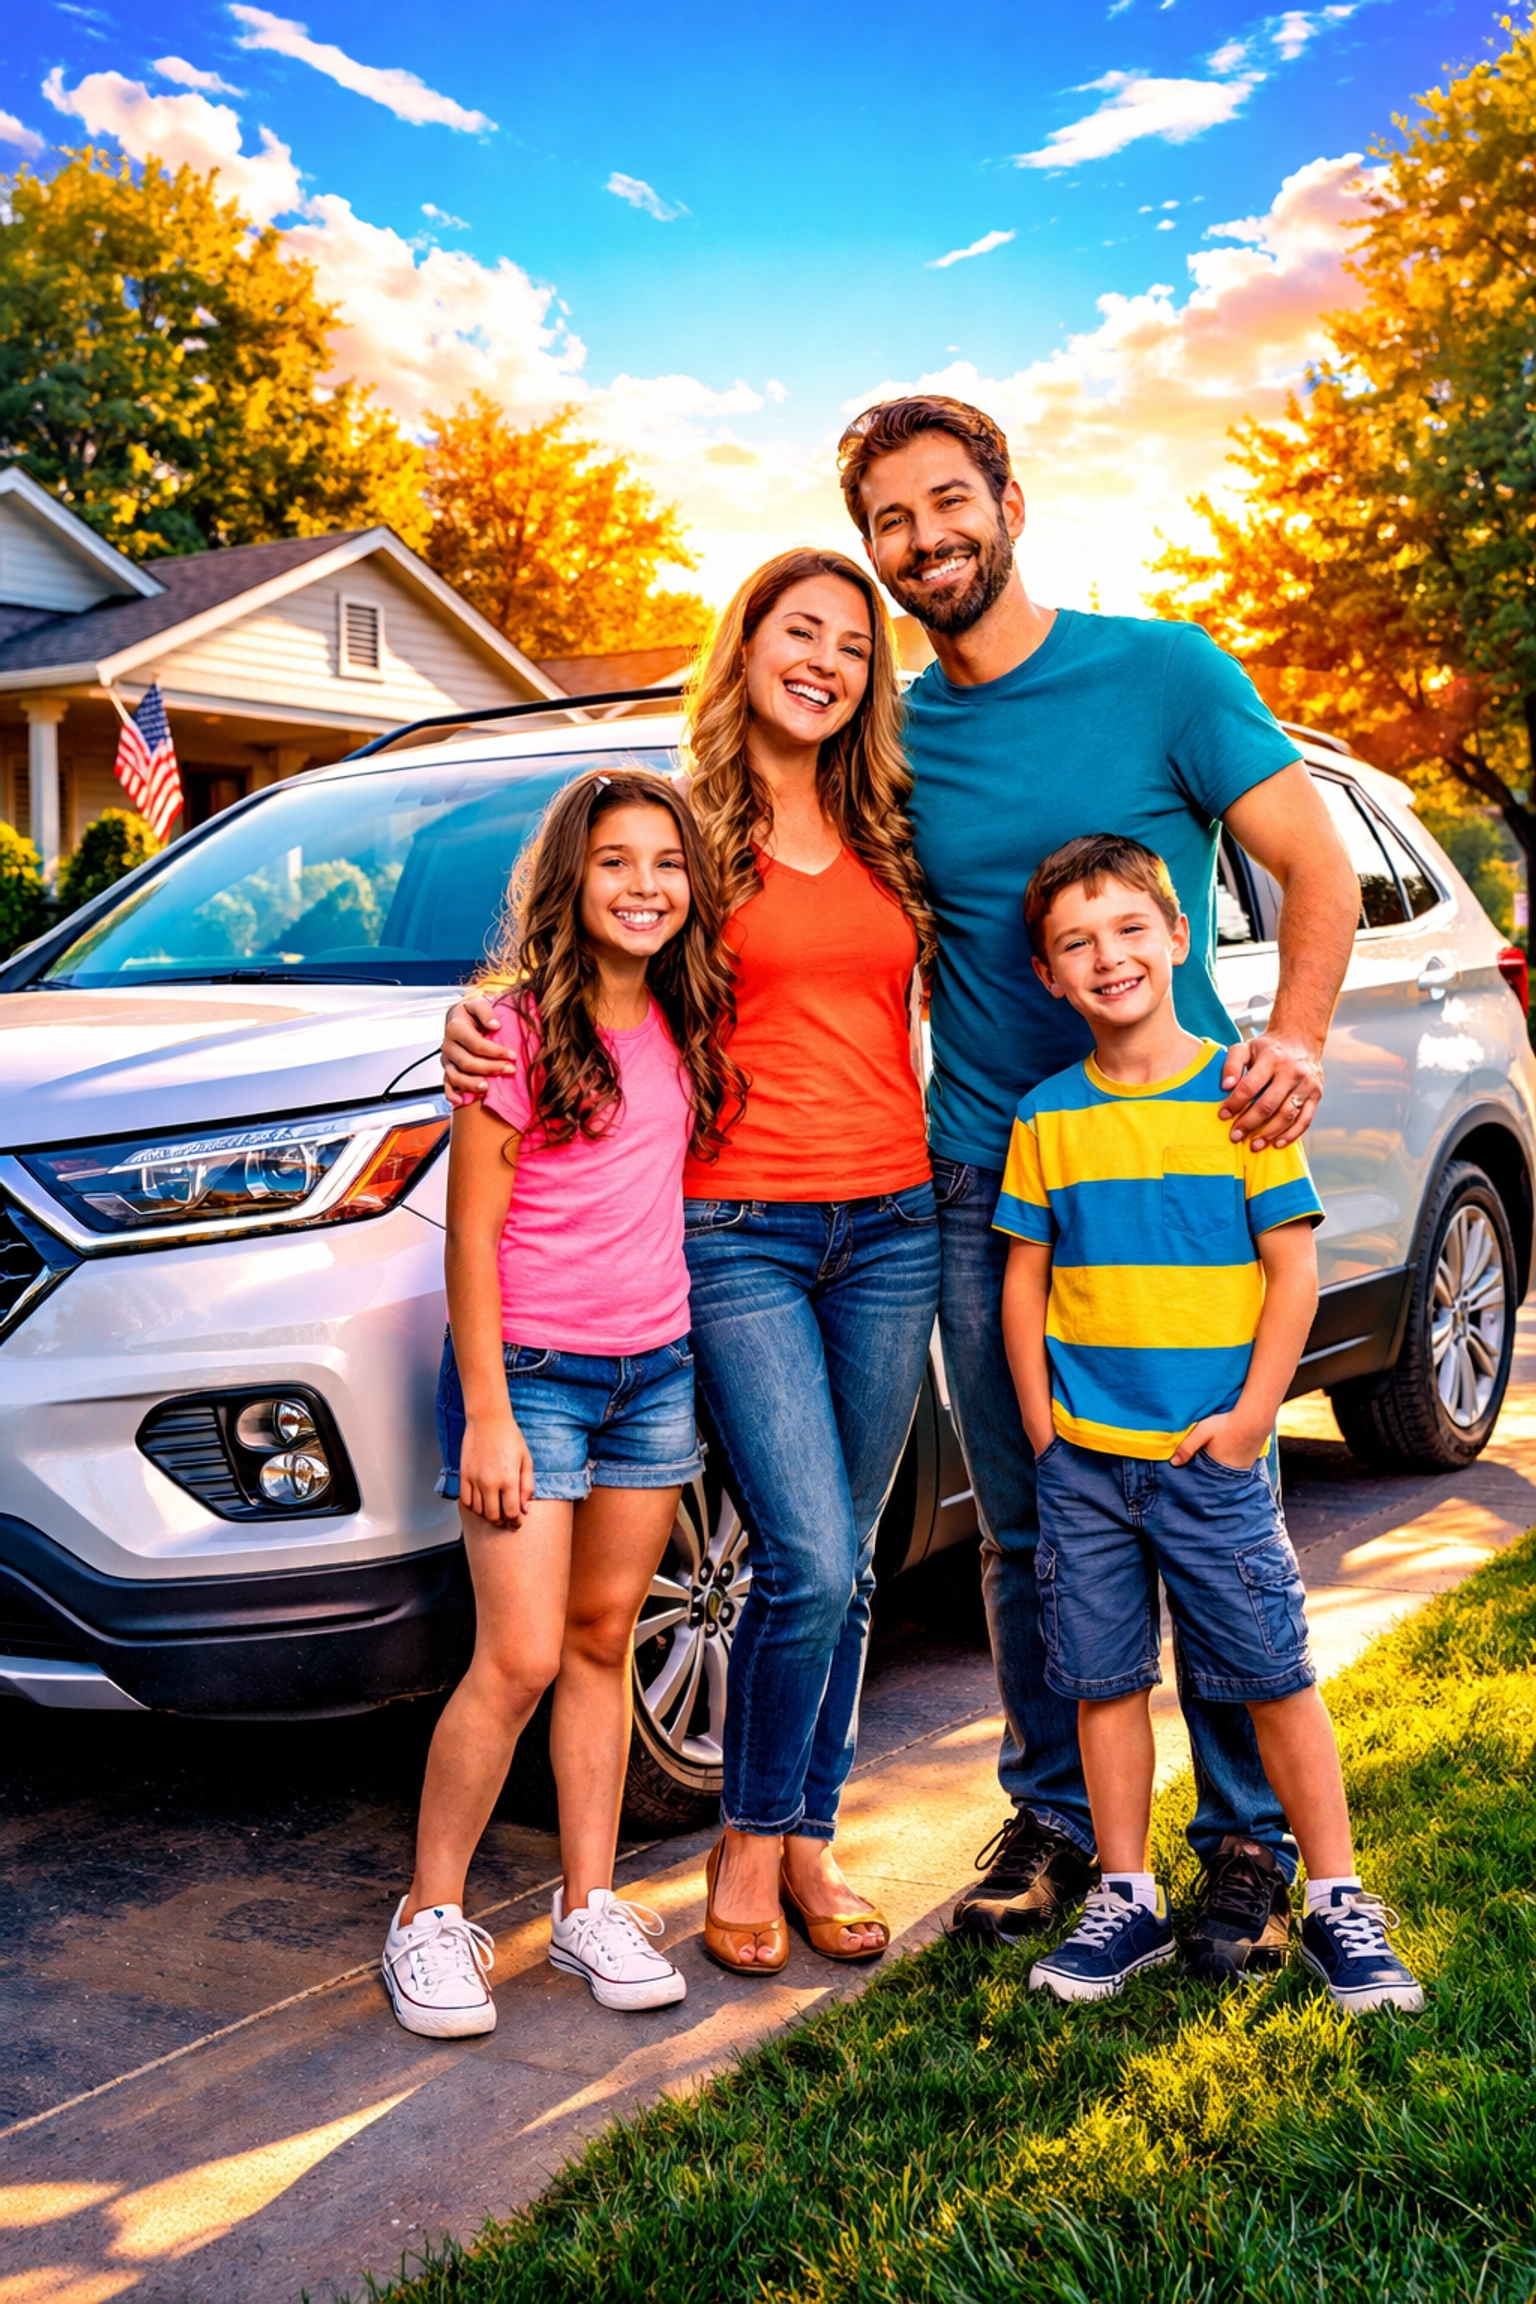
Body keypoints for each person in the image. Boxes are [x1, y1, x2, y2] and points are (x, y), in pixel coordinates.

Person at [833, 394, 1362, 1976]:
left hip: (1180, 1168)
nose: (926, 542)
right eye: (892, 524)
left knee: (1211, 1503)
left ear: (1009, 498)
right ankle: (1064, 1821)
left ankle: (1251, 1850)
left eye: (948, 503)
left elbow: (1314, 865)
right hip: (984, 1180)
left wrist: (1296, 1038)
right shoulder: (891, 736)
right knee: (1030, 1525)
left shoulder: (1167, 673)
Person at [442, 548, 940, 1975]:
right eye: (802, 631)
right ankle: (747, 1836)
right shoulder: (686, 831)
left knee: (844, 1566)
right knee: (806, 1546)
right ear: (748, 646)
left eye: (854, 643)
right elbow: (566, 969)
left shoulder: (894, 824)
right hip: (734, 1231)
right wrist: (467, 1031)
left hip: (893, 1222)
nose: (828, 661)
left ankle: (802, 1834)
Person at [1000, 834, 1423, 2013]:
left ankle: (1338, 1898)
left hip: (1211, 1463)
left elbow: (1294, 1272)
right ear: (1048, 975)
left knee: (1271, 1675)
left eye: (1131, 929)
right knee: (1103, 1680)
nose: (1109, 956)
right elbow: (1024, 1278)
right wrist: (1044, 1427)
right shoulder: (1047, 1119)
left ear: (1179, 937)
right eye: (1076, 943)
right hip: (1088, 1464)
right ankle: (1124, 1898)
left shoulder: (1239, 1098)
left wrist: (1247, 1423)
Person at [382, 769, 743, 2037]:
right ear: (569, 882)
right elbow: (468, 1241)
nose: (644, 886)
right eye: (614, 863)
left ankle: (592, 1905)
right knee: (521, 1655)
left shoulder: (693, 1025)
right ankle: (429, 1918)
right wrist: (484, 1408)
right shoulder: (512, 1033)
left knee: (602, 1643)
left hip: (654, 1375)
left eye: (667, 863)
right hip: (530, 1377)